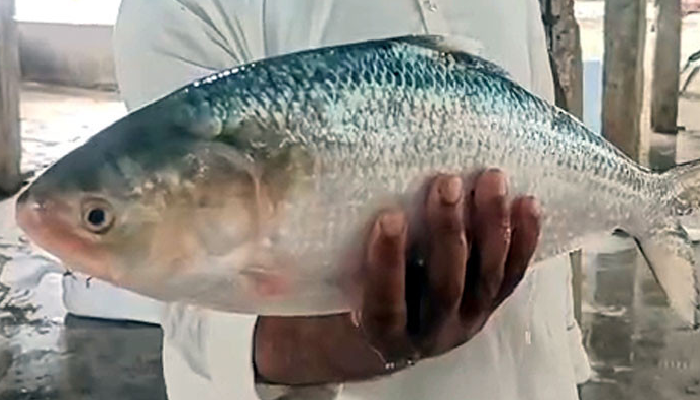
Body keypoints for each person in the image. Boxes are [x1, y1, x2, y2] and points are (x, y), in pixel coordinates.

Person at [62, 0, 591, 399]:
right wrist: (355, 340)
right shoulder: (176, 10)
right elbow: (199, 313)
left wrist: (566, 360)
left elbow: (543, 144)